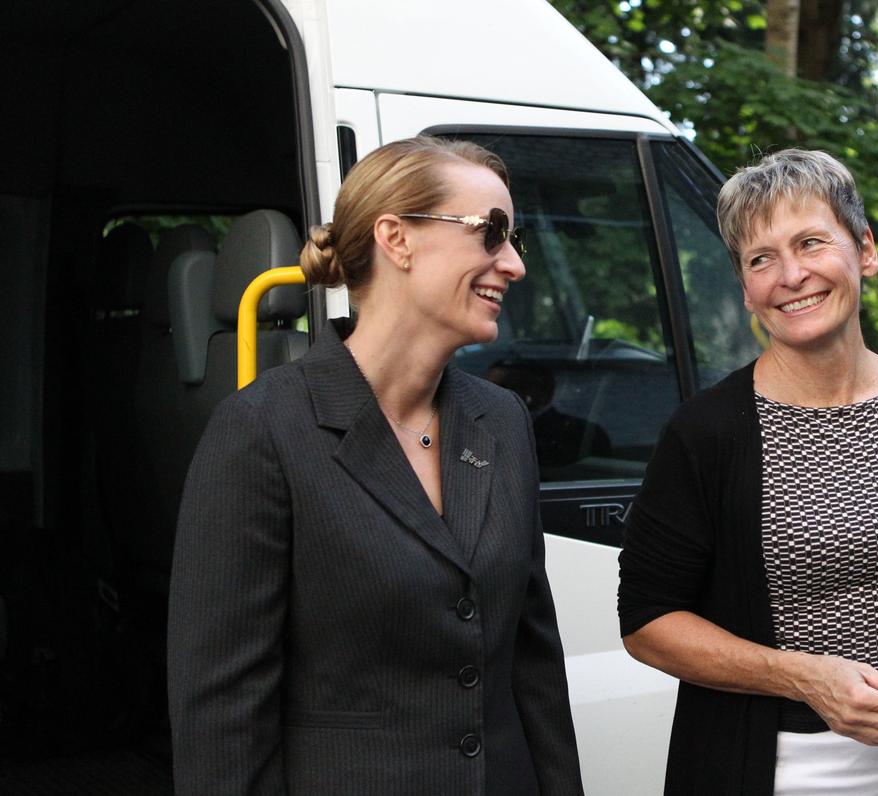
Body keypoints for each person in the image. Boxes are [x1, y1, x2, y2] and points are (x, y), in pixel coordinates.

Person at [168, 136, 584, 795]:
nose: (514, 264)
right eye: (492, 233)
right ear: (397, 238)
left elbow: (533, 668)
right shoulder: (262, 430)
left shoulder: (501, 420)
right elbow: (223, 719)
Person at [617, 149, 878, 796]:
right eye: (761, 259)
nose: (791, 275)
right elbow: (646, 621)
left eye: (810, 242)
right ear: (745, 288)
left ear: (865, 251)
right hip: (773, 772)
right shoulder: (707, 433)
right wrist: (805, 677)